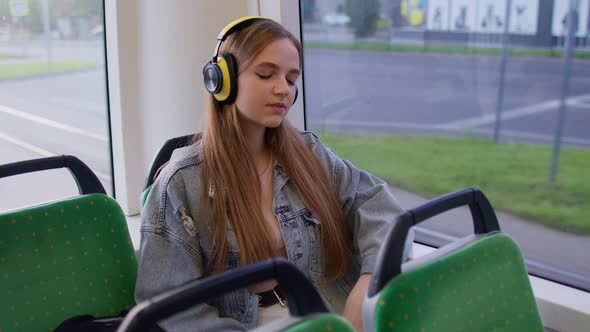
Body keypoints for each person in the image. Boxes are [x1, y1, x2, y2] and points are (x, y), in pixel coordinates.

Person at [135, 16, 413, 332]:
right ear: (221, 81)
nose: (283, 90)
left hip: (328, 313)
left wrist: (364, 292)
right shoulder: (181, 183)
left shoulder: (308, 153)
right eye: (266, 74)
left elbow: (383, 211)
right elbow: (168, 305)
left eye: (292, 79)